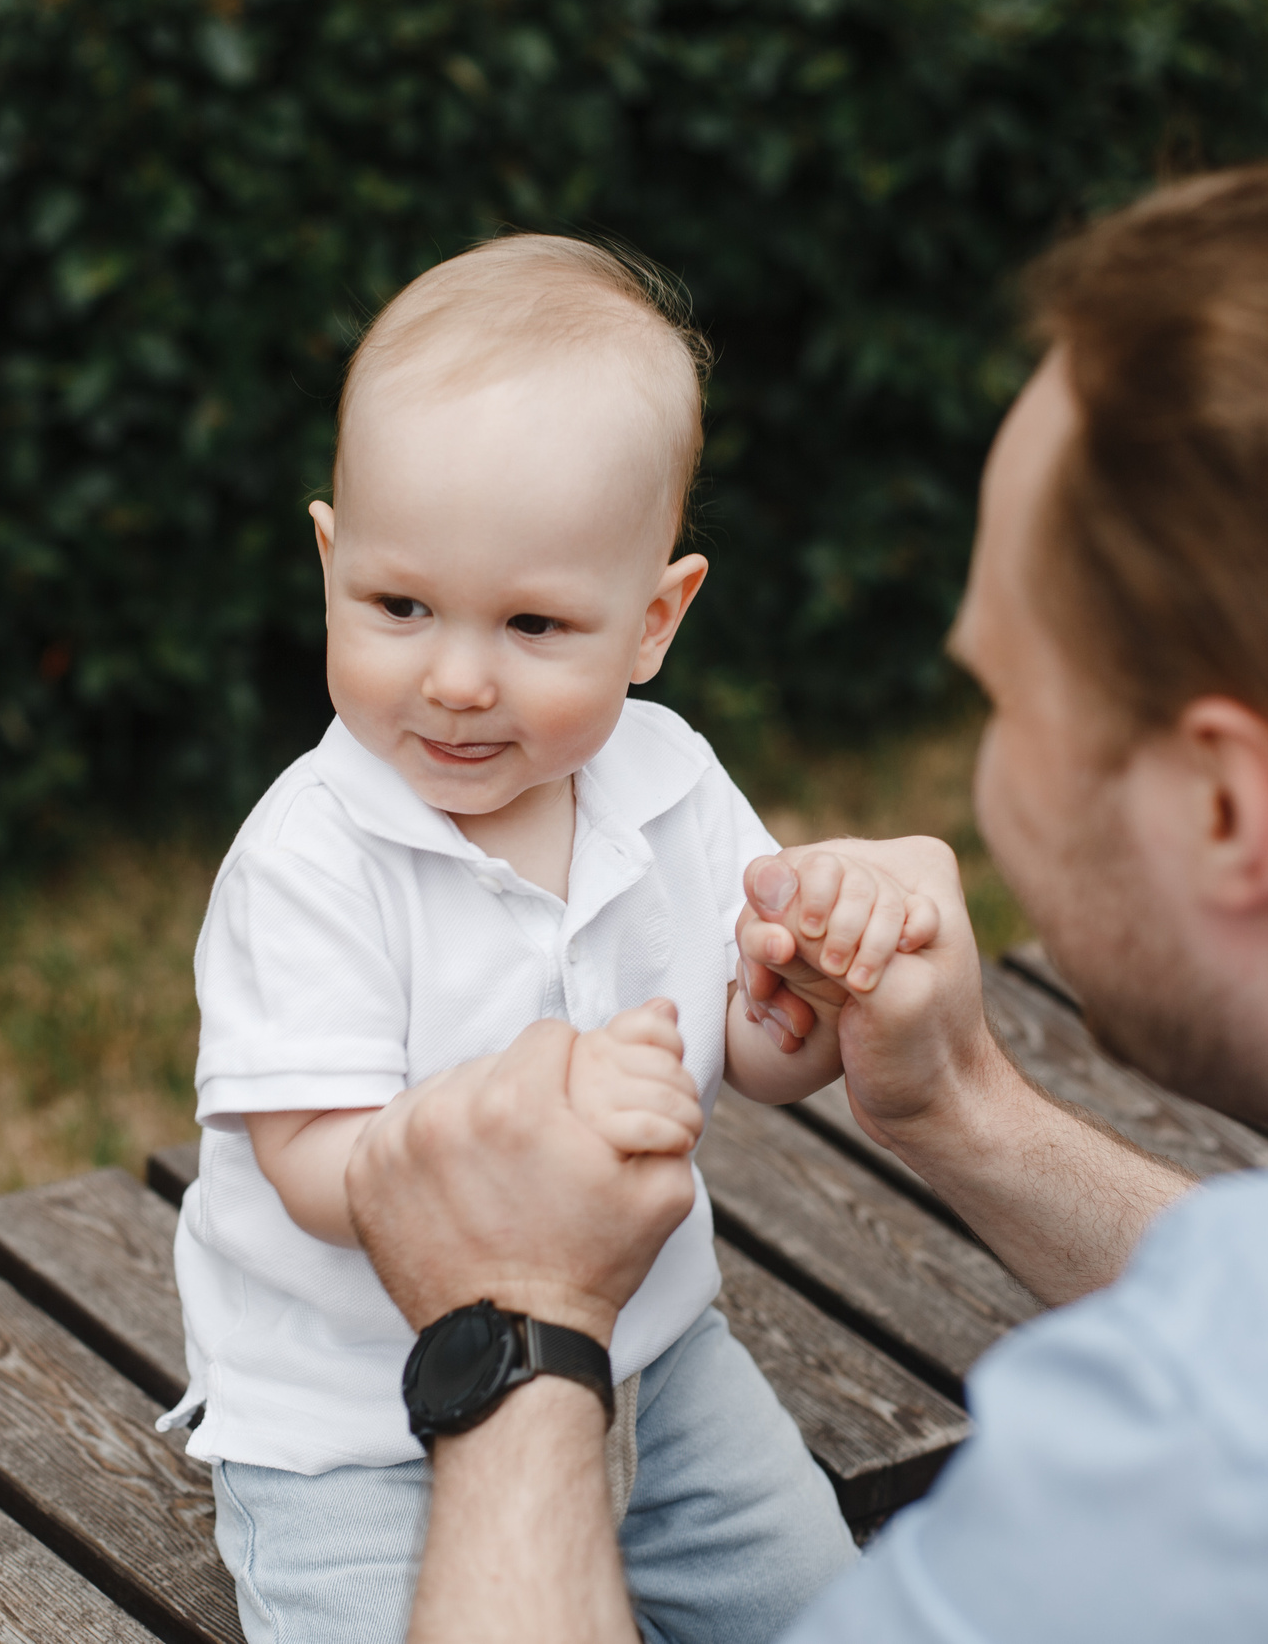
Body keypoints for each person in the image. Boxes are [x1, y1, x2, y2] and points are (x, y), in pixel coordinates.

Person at [344, 159, 1268, 1642]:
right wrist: (960, 1110)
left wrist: (516, 1339)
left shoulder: (1190, 1474)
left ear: (1228, 806)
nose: (983, 782)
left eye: (1000, 697)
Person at [163, 234, 934, 1643]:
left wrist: (821, 977)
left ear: (653, 620)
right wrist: (550, 1110)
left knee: (837, 1618)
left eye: (532, 623)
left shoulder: (671, 784)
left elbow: (763, 1054)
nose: (454, 678)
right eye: (399, 607)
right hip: (363, 1429)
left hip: (658, 1367)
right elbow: (318, 1171)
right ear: (330, 560)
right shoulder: (313, 856)